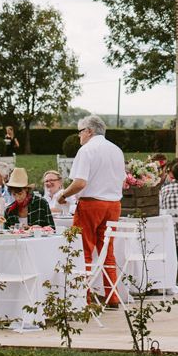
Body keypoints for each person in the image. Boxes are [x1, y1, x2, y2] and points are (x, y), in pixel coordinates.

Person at [55, 115, 125, 306]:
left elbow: (80, 182)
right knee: (107, 251)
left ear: (89, 131)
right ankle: (112, 296)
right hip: (113, 205)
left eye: (80, 132)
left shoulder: (86, 150)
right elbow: (123, 180)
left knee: (83, 249)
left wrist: (63, 195)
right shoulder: (116, 150)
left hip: (92, 203)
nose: (79, 137)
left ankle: (82, 297)